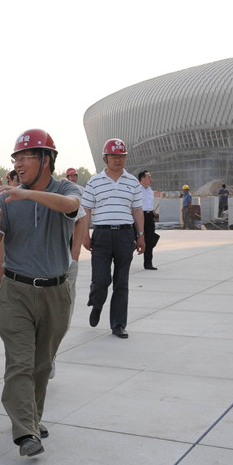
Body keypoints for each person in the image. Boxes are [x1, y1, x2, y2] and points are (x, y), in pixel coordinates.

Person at [0, 129, 81, 457]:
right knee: (20, 363)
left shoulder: (65, 189)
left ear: (46, 160)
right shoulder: (9, 198)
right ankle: (25, 431)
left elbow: (71, 206)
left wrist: (28, 196)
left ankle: (32, 419)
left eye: (26, 157)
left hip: (55, 293)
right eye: (16, 158)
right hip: (16, 291)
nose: (19, 164)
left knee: (41, 365)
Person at [81, 138, 145, 339]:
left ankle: (118, 324)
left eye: (121, 156)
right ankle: (97, 303)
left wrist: (141, 236)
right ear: (105, 159)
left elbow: (137, 210)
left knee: (121, 281)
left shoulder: (133, 182)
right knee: (101, 279)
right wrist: (85, 235)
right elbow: (86, 210)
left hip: (125, 235)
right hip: (102, 235)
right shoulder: (94, 182)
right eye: (114, 156)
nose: (118, 160)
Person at [139, 171, 160, 270]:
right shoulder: (137, 190)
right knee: (133, 239)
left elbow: (149, 204)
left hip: (149, 216)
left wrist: (154, 213)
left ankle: (148, 263)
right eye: (149, 177)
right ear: (142, 178)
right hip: (140, 216)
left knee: (150, 239)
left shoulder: (150, 191)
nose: (151, 179)